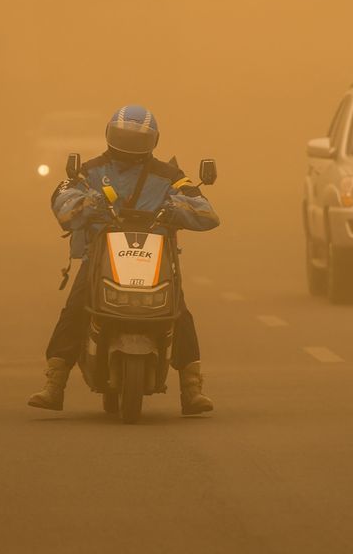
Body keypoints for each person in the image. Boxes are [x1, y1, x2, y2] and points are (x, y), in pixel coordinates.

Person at [29, 105, 219, 415]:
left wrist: (177, 210)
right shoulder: (89, 172)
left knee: (178, 312)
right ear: (109, 136)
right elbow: (63, 201)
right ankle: (55, 384)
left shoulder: (170, 176)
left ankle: (191, 388)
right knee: (77, 307)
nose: (129, 146)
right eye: (123, 137)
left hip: (156, 260)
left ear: (153, 141)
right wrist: (87, 203)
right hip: (100, 258)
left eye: (137, 139)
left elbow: (207, 212)